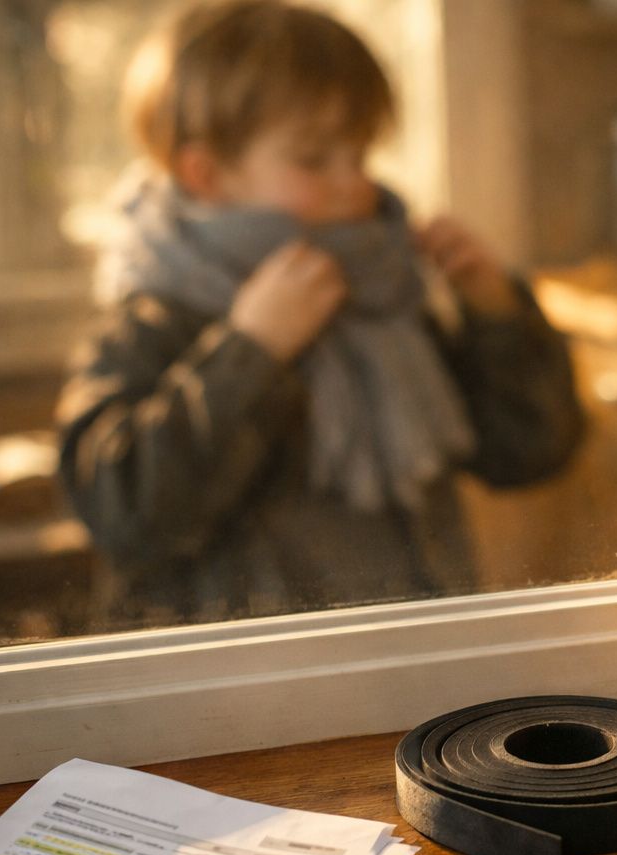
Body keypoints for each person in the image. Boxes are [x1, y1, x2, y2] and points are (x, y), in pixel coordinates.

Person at [56, 0, 582, 628]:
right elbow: (125, 515)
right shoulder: (154, 318)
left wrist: (494, 313)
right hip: (245, 702)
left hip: (416, 668)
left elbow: (529, 452)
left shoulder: (384, 297)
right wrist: (249, 351)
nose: (354, 184)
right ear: (204, 174)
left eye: (360, 155)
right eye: (313, 159)